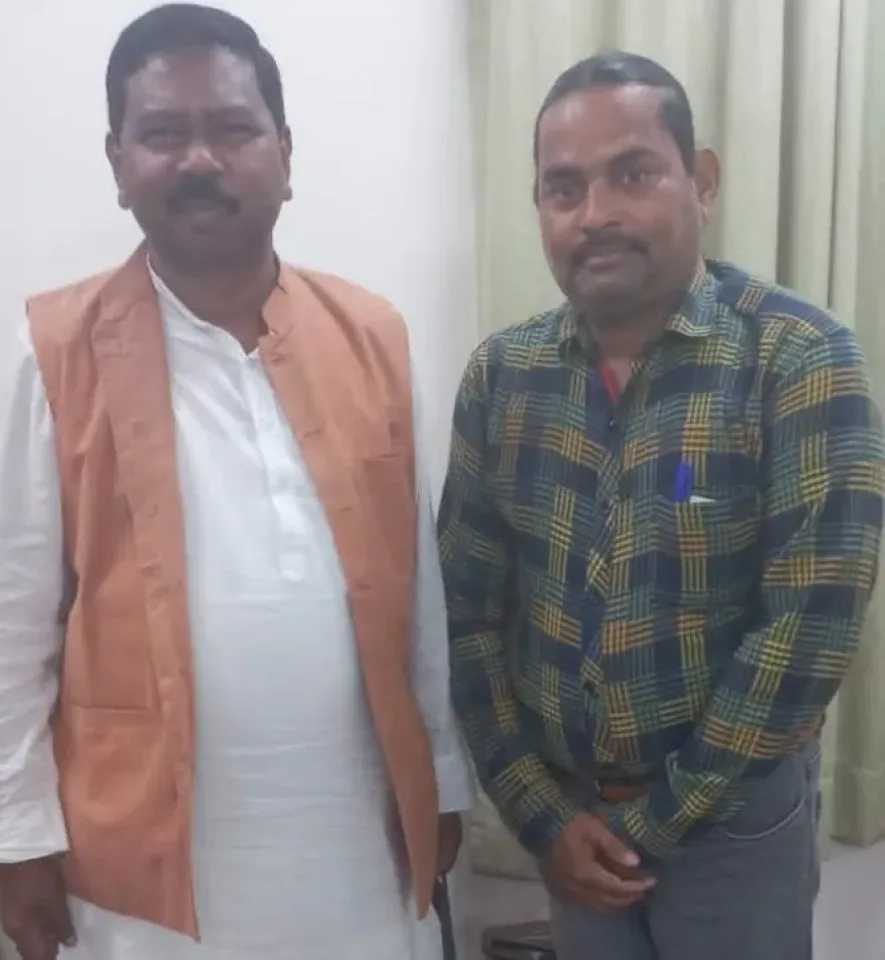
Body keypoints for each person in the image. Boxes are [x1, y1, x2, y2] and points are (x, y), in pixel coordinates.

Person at [0, 6, 473, 960]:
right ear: (118, 162)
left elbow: (416, 590)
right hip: (143, 873)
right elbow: (14, 617)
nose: (198, 159)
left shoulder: (372, 337)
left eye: (231, 128)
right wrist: (16, 834)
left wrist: (444, 779)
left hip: (357, 849)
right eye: (162, 133)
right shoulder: (51, 351)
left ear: (284, 155)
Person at [438, 50, 885, 960]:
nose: (594, 214)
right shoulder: (502, 377)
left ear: (701, 180)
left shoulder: (796, 359)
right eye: (563, 188)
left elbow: (809, 627)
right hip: (568, 827)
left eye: (631, 173)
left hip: (733, 825)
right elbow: (468, 616)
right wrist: (537, 814)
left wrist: (654, 821)